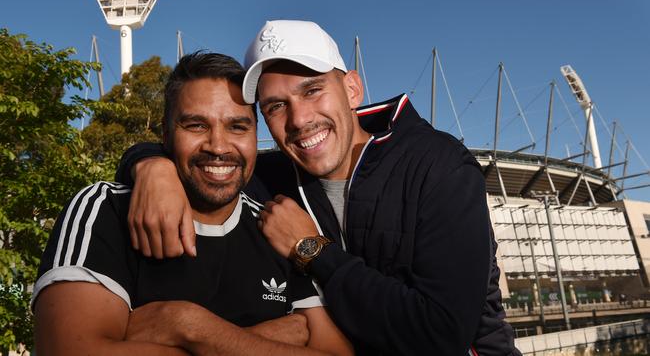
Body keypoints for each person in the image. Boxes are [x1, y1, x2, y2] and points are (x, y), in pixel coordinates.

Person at [118, 20, 520, 355]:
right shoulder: (275, 176)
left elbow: (442, 334)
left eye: (312, 90)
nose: (299, 119)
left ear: (351, 90)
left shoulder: (438, 166)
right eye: (276, 106)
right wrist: (152, 167)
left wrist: (311, 250)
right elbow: (205, 156)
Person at [31, 51, 353, 356]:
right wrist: (267, 337)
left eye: (237, 126)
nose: (218, 146)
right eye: (196, 125)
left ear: (256, 135)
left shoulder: (277, 229)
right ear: (166, 135)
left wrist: (187, 325)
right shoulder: (104, 210)